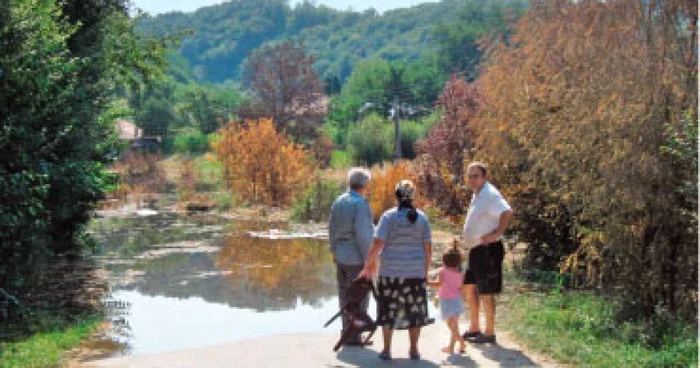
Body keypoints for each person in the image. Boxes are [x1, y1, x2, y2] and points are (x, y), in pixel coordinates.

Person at [358, 180, 433, 361]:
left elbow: (378, 243)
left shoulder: (389, 217)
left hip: (390, 272)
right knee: (414, 311)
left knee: (387, 310)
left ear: (396, 196)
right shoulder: (422, 218)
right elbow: (427, 248)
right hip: (414, 273)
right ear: (413, 196)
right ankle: (414, 350)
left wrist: (368, 265)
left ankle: (386, 350)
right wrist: (426, 271)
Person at [461, 162, 513, 344]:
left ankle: (489, 332)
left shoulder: (490, 194)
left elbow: (507, 212)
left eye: (475, 176)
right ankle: (475, 326)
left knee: (486, 290)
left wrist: (496, 234)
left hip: (488, 250)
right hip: (476, 250)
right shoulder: (478, 195)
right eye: (469, 176)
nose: (472, 180)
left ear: (484, 177)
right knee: (468, 286)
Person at [328, 167, 374, 346]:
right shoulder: (361, 204)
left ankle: (346, 331)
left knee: (343, 295)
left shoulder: (338, 201)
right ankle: (355, 334)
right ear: (365, 185)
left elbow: (331, 228)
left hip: (340, 255)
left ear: (350, 182)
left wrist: (333, 250)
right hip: (356, 257)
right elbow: (363, 235)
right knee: (359, 297)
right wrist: (369, 261)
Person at [427, 241, 466, 355]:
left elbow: (438, 284)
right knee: (452, 325)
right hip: (457, 300)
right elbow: (461, 287)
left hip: (446, 301)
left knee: (452, 325)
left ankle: (451, 347)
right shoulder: (460, 274)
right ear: (458, 262)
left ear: (444, 261)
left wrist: (427, 283)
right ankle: (462, 343)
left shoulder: (442, 271)